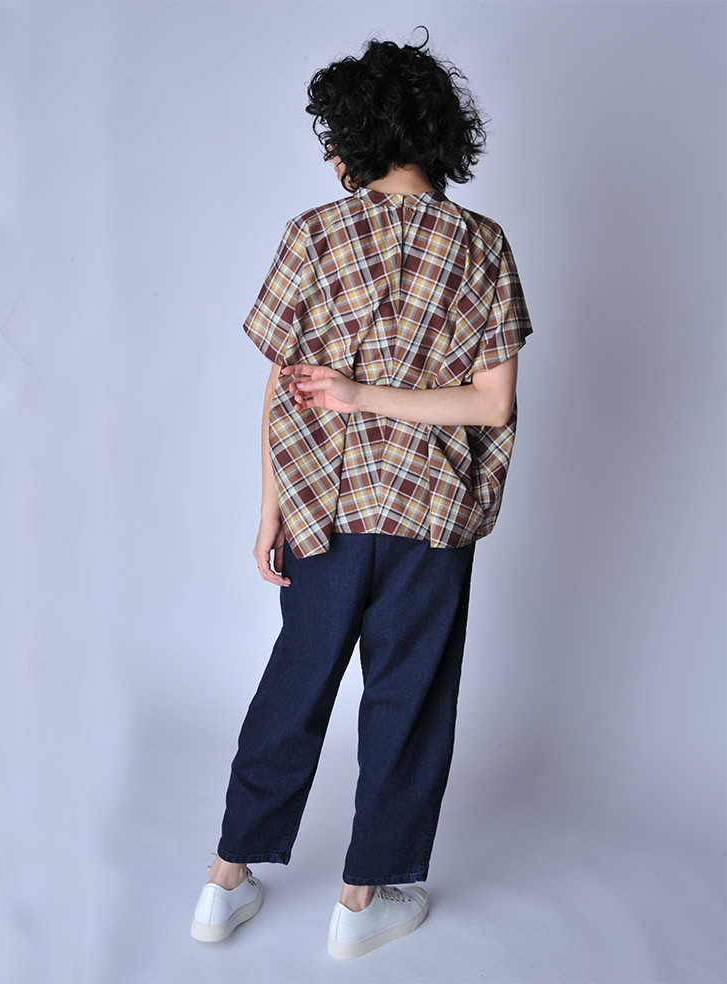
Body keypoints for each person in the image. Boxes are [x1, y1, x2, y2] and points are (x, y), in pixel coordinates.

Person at [190, 32, 532, 959]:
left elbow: (283, 387)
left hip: (324, 506)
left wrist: (272, 502)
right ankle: (359, 901)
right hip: (429, 513)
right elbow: (490, 404)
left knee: (296, 682)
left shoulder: (314, 233)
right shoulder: (480, 245)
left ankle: (225, 883)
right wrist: (372, 399)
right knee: (406, 698)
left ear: (355, 135)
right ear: (436, 130)